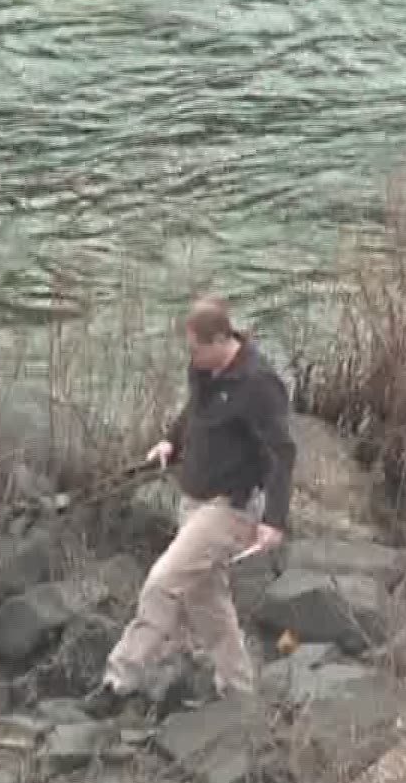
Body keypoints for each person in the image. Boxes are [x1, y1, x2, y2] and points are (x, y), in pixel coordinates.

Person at [83, 296, 297, 719]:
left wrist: (274, 519)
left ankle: (119, 680)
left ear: (222, 339)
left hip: (230, 508)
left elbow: (282, 452)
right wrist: (171, 441)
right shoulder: (204, 369)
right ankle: (240, 694)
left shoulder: (259, 384)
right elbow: (194, 412)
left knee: (162, 582)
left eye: (198, 348)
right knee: (208, 603)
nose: (192, 358)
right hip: (193, 500)